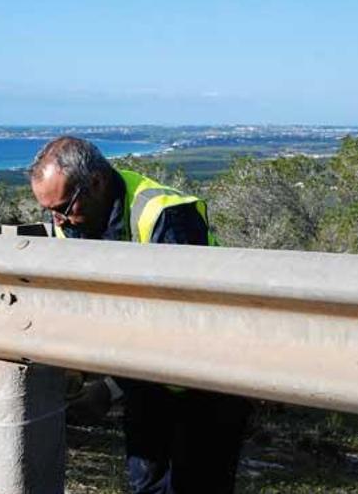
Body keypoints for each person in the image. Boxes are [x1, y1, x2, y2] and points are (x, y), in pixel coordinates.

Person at [29, 136, 252, 494]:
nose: (58, 219)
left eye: (63, 207)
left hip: (212, 375)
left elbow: (184, 325)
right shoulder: (72, 222)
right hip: (146, 376)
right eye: (50, 210)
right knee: (146, 484)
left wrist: (112, 388)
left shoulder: (165, 215)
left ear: (96, 184)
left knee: (196, 485)